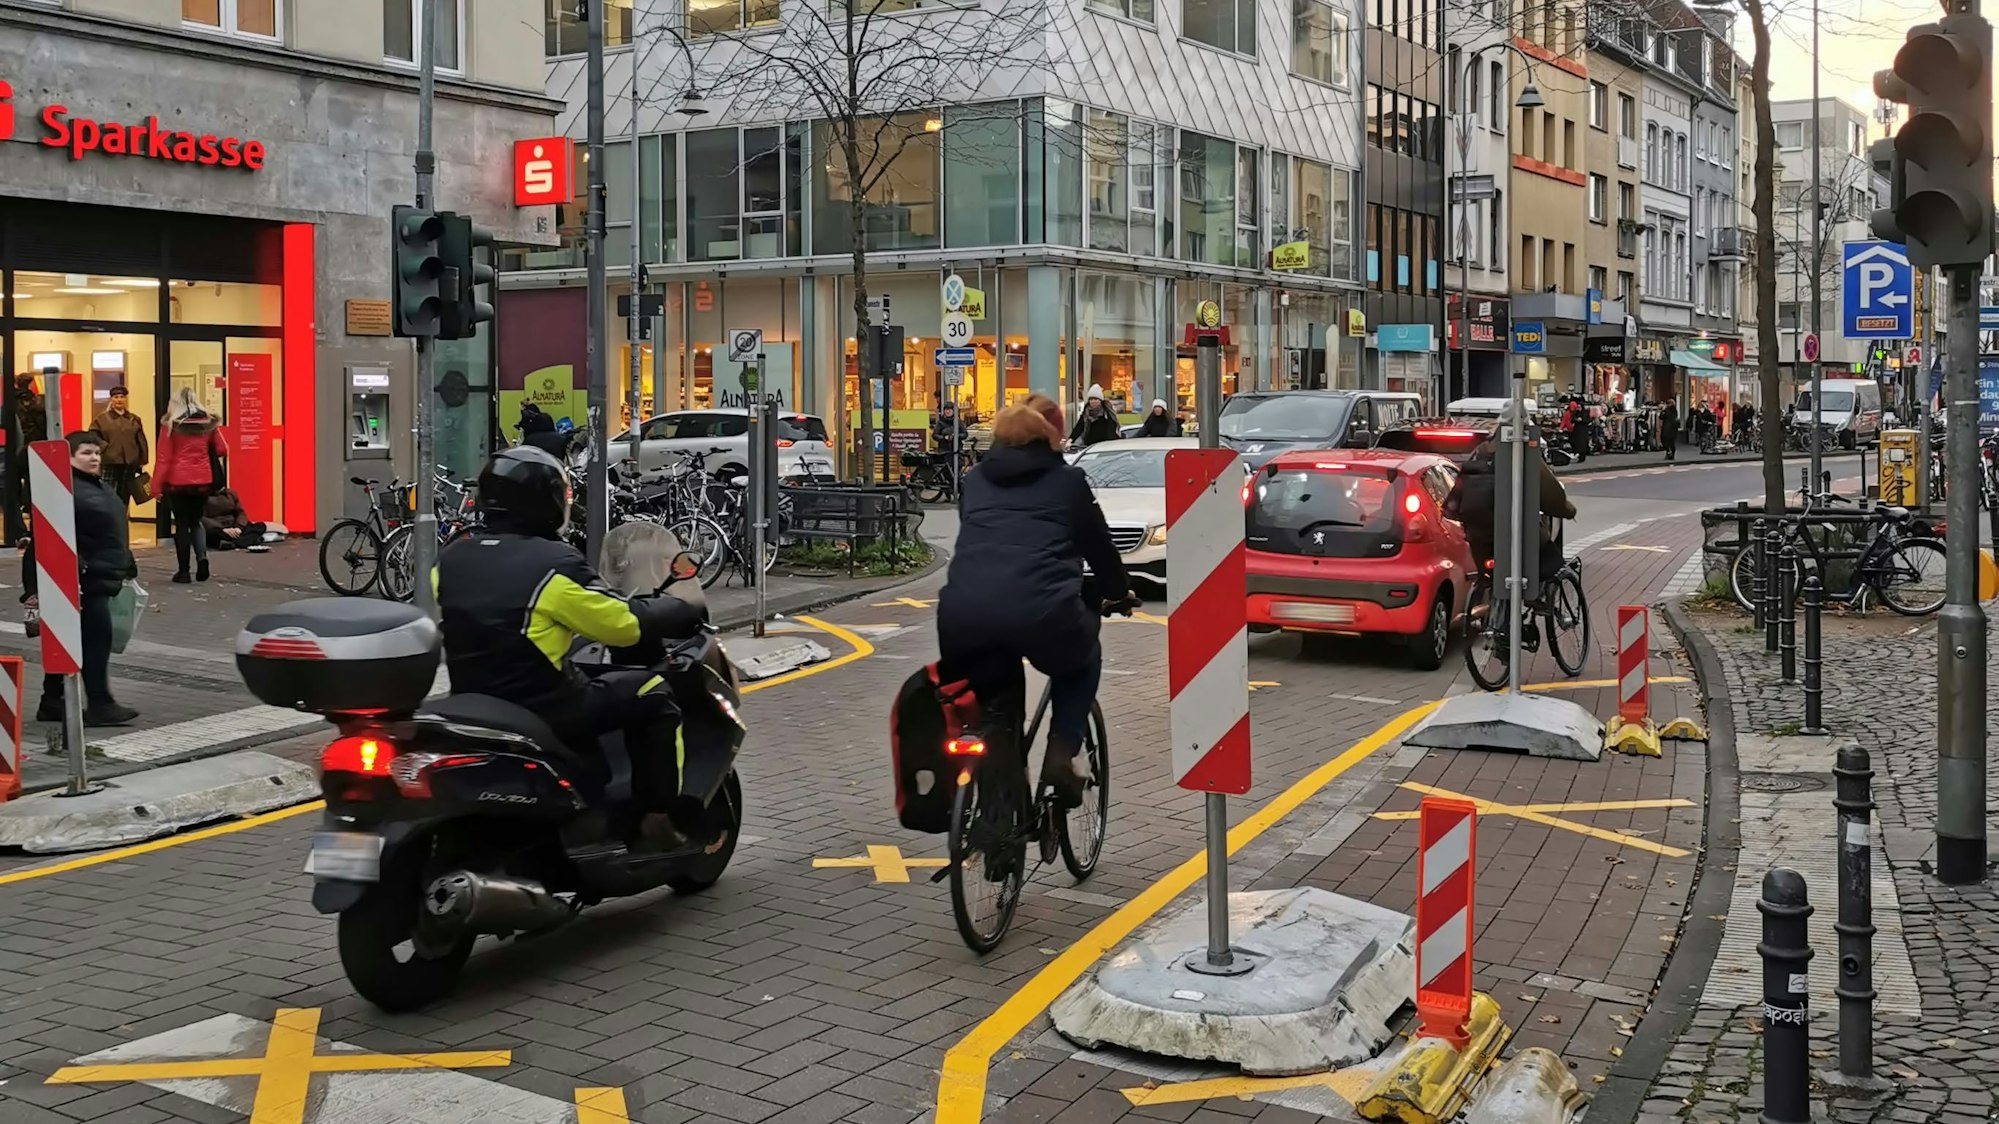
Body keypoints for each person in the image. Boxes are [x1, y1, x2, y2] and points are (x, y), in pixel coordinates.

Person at [435, 446, 704, 819]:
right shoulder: (555, 564)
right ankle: (659, 819)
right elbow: (622, 626)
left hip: (473, 701)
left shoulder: (451, 559)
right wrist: (676, 607)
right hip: (547, 707)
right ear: (546, 501)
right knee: (654, 693)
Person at [937, 396, 1134, 807]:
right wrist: (1117, 591)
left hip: (963, 618)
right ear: (1047, 437)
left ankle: (995, 820)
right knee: (1082, 661)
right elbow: (1099, 548)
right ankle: (1063, 751)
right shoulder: (1067, 482)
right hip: (1044, 615)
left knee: (994, 702)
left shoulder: (974, 480)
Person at [24, 432, 139, 726]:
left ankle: (52, 701)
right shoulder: (66, 490)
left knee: (70, 641)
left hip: (98, 575)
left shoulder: (93, 486)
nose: (95, 458)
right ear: (70, 457)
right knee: (95, 641)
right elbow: (47, 539)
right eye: (86, 453)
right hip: (85, 580)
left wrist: (127, 561)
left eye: (97, 453)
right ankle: (100, 704)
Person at [1442, 408, 1578, 600]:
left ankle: (1481, 614)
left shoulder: (1481, 450)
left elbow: (1459, 493)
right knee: (1549, 561)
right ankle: (1536, 603)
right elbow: (1551, 495)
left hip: (1478, 535)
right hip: (1515, 534)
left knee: (1486, 575)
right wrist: (1568, 510)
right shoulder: (1524, 451)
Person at [153, 388, 226, 584]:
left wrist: (156, 487)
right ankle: (202, 559)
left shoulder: (170, 425)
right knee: (196, 521)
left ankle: (183, 572)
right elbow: (222, 449)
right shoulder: (209, 423)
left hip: (177, 482)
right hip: (203, 480)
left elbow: (164, 459)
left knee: (182, 525)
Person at [90, 386, 150, 509]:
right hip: (109, 461)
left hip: (129, 463)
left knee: (125, 496)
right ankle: (108, 521)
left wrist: (142, 459)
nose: (119, 400)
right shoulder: (101, 419)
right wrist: (105, 448)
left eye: (122, 397)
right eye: (116, 397)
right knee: (108, 493)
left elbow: (141, 440)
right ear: (111, 400)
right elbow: (93, 436)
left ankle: (122, 521)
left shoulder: (134, 419)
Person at [202, 487, 268, 550]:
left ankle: (234, 543)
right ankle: (249, 540)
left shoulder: (231, 493)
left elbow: (240, 512)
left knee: (261, 526)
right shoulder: (202, 496)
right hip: (218, 529)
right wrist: (223, 529)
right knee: (211, 535)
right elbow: (202, 518)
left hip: (234, 526)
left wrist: (238, 527)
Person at [1659, 397, 1680, 461]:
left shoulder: (1673, 410)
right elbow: (1661, 417)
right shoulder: (1666, 410)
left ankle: (1671, 454)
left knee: (1670, 442)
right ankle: (1669, 453)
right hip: (1667, 428)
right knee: (1666, 441)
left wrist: (1665, 410)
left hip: (1671, 428)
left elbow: (1671, 416)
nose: (1667, 404)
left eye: (1668, 403)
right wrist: (1662, 411)